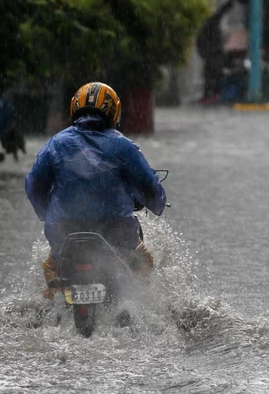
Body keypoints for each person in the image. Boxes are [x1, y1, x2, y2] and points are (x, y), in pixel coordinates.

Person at [25, 82, 166, 299]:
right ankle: (142, 308)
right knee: (144, 262)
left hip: (64, 231)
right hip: (116, 232)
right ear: (113, 112)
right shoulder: (124, 146)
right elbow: (149, 187)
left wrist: (46, 213)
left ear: (75, 108)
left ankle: (52, 306)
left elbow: (34, 184)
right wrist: (157, 203)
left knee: (53, 271)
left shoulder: (57, 143)